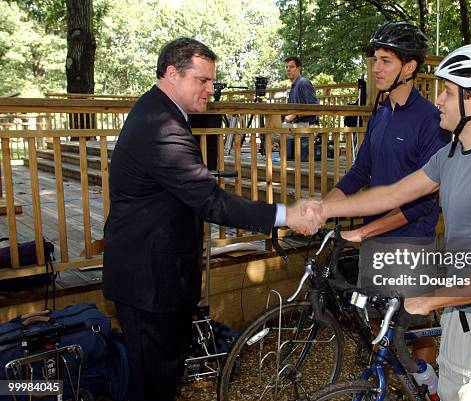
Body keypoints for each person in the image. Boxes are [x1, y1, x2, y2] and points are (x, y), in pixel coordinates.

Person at [305, 43, 471, 401]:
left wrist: (430, 300)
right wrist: (323, 210)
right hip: (459, 312)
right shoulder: (452, 153)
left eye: (448, 92)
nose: (439, 101)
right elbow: (393, 194)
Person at [102, 37, 318, 401]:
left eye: (212, 81)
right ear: (172, 73)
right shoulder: (161, 127)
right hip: (149, 282)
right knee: (152, 385)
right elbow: (210, 201)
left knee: (161, 378)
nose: (211, 89)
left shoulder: (162, 113)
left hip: (157, 276)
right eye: (202, 80)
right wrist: (286, 213)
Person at [323, 22, 448, 365]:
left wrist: (364, 231)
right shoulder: (380, 113)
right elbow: (359, 171)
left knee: (415, 330)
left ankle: (428, 386)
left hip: (409, 244)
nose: (376, 67)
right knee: (376, 327)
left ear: (409, 67)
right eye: (375, 59)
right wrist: (322, 207)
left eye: (386, 60)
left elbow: (423, 205)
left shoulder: (431, 120)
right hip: (374, 241)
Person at [283, 56, 319, 126]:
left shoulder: (303, 83)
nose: (288, 69)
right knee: (270, 130)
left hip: (308, 126)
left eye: (291, 67)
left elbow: (314, 107)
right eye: (286, 67)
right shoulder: (293, 87)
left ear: (299, 68)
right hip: (296, 125)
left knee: (273, 134)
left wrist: (294, 115)